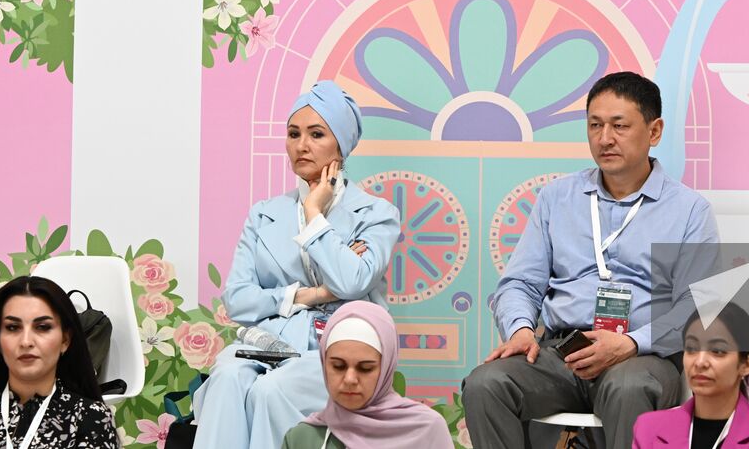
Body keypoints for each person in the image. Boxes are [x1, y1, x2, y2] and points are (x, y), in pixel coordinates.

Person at [463, 71, 721, 449]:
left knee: (629, 387)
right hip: (560, 353)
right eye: (595, 125)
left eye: (620, 126)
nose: (605, 138)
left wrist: (632, 342)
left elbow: (697, 304)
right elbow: (521, 282)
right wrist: (519, 329)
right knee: (486, 384)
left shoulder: (688, 210)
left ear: (654, 131)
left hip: (641, 358)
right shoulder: (558, 198)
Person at [193, 80, 402, 449]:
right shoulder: (264, 214)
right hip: (267, 341)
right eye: (293, 134)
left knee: (270, 390)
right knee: (226, 378)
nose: (301, 145)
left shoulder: (376, 214)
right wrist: (313, 294)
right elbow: (238, 300)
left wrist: (314, 213)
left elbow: (352, 283)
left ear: (341, 145)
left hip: (336, 351)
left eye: (316, 134)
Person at [0, 275, 120, 449]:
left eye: (42, 327)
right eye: (12, 327)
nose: (26, 341)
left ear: (65, 340)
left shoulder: (92, 418)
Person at [279, 301, 453, 449]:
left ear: (386, 368)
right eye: (338, 366)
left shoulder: (425, 431)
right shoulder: (302, 439)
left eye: (365, 368)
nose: (350, 379)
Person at [631, 303, 749, 449]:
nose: (700, 362)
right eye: (692, 349)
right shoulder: (649, 428)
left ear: (746, 364)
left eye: (717, 351)